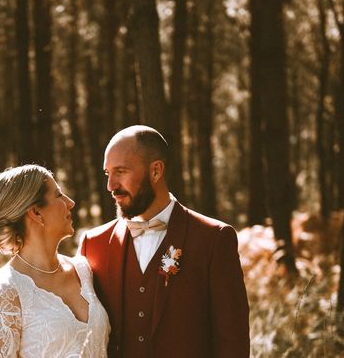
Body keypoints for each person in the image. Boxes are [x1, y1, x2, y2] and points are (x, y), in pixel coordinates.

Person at [80, 125, 250, 357]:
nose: (111, 186)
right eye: (108, 174)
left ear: (156, 171)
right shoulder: (94, 244)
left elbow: (233, 342)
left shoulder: (214, 239)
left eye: (120, 172)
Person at [0, 164, 110, 357]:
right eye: (58, 195)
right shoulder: (4, 295)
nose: (70, 202)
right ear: (36, 212)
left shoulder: (83, 270)